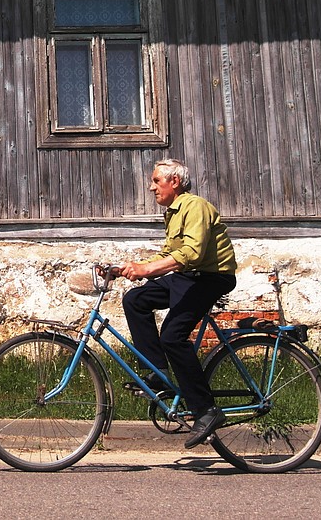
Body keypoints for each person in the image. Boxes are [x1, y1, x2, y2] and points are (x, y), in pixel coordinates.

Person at [118, 158, 237, 449]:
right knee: (135, 299)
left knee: (172, 336)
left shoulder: (195, 206)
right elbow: (167, 255)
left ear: (175, 182)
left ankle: (206, 410)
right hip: (188, 277)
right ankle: (158, 374)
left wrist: (146, 270)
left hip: (211, 277)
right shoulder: (173, 213)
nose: (151, 187)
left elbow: (192, 254)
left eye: (156, 181)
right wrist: (126, 267)